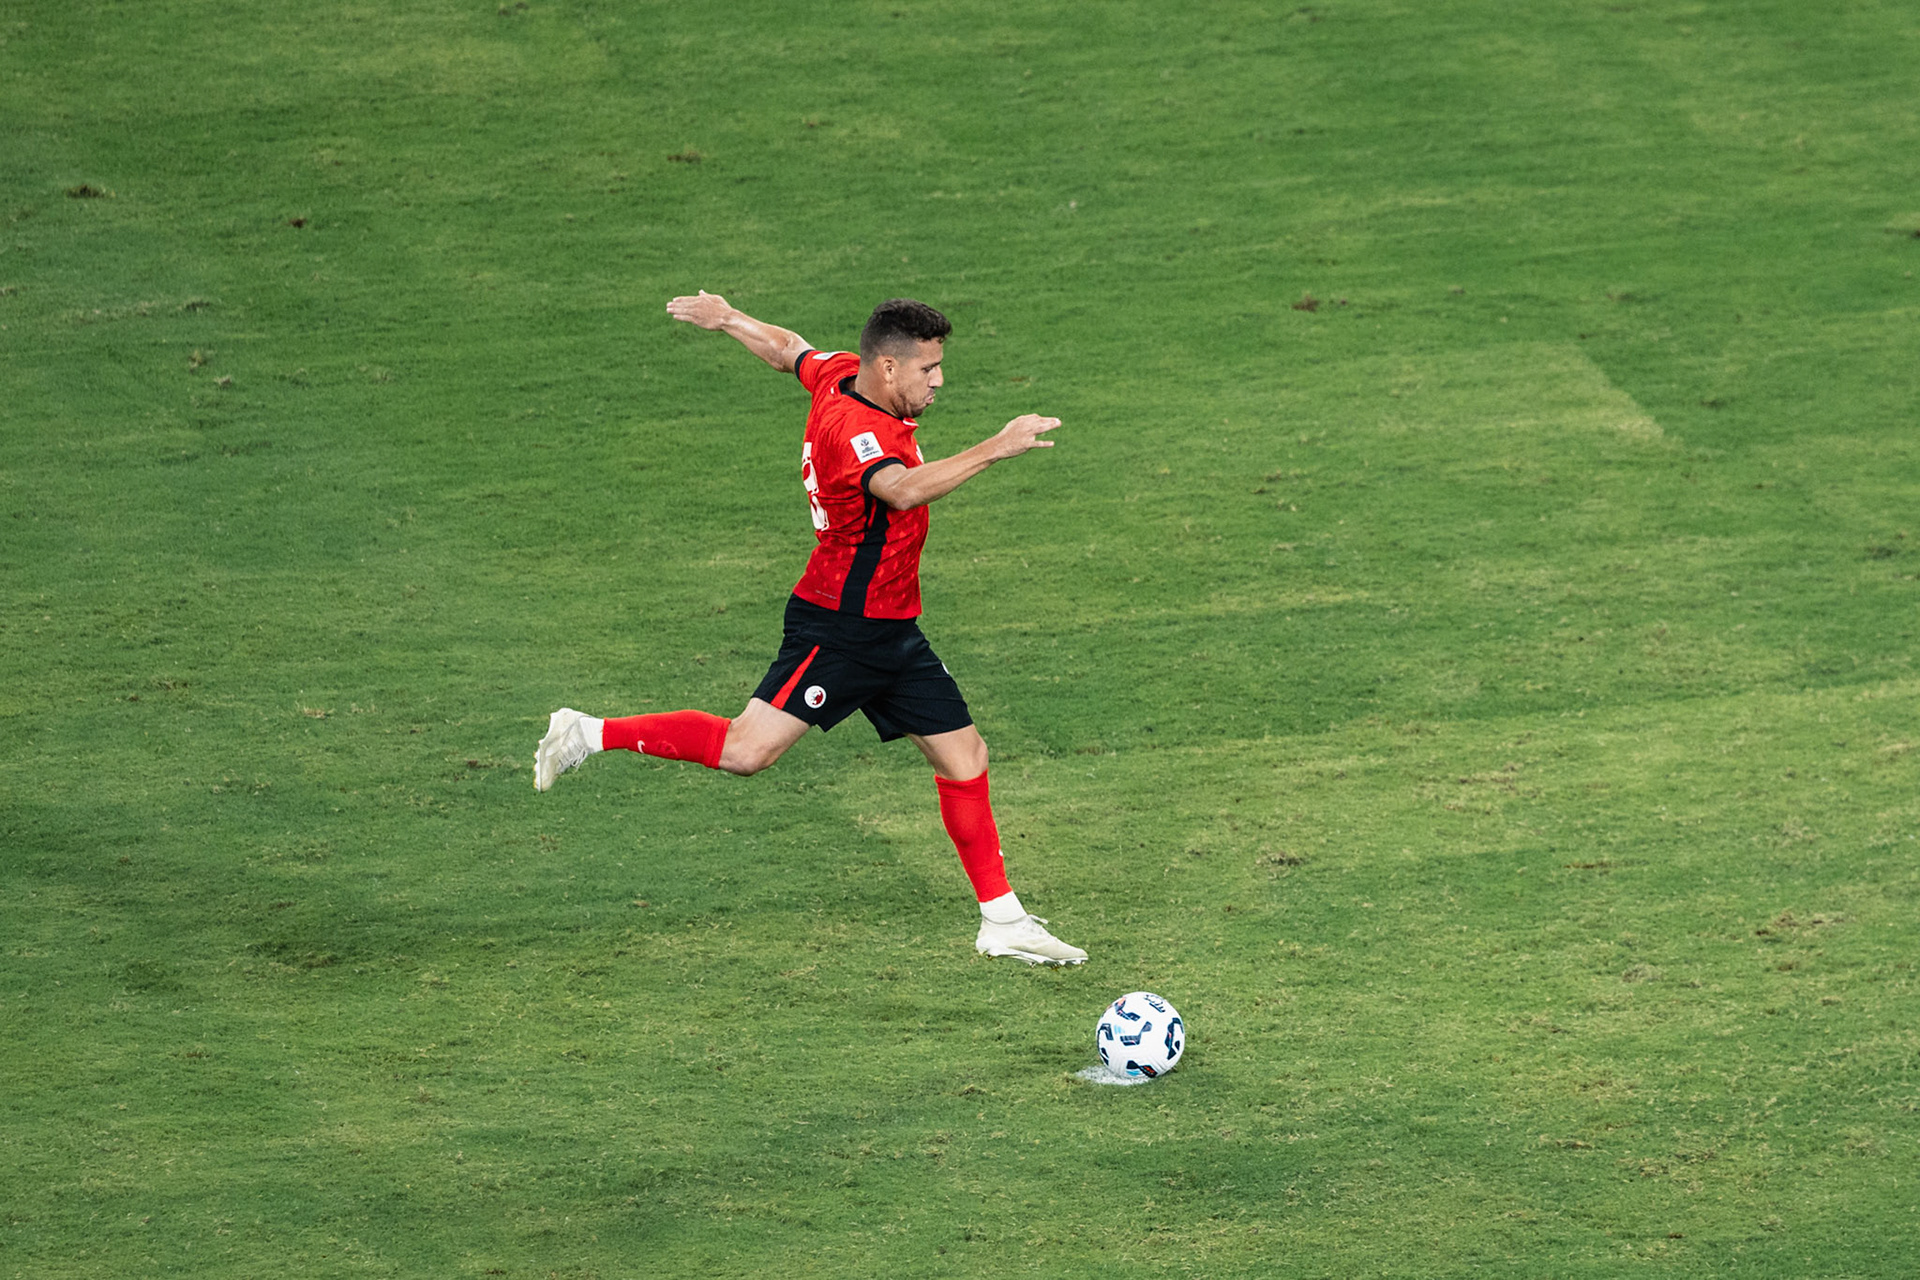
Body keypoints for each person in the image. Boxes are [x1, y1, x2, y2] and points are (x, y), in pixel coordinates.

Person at [533, 291, 1086, 966]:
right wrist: (997, 447)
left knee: (965, 756)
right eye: (928, 369)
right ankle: (586, 732)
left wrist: (729, 318)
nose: (939, 381)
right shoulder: (858, 433)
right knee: (747, 752)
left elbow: (788, 350)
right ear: (888, 367)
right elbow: (901, 490)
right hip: (839, 627)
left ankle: (1003, 921)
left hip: (893, 629)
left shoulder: (842, 371)